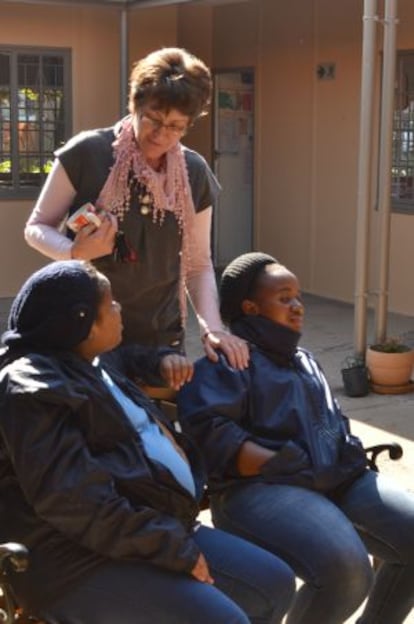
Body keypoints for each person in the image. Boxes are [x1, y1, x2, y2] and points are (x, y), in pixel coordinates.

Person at [0, 259, 295, 624]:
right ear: (82, 322)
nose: (119, 308)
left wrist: (161, 361)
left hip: (147, 528)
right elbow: (73, 502)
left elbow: (127, 357)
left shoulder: (84, 357)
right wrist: (174, 549)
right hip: (73, 563)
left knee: (275, 583)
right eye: (110, 305)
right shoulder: (32, 391)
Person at [177, 251, 414, 624]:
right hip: (262, 488)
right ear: (251, 307)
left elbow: (332, 422)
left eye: (298, 296)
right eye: (284, 297)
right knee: (347, 570)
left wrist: (346, 454)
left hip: (335, 478)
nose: (298, 306)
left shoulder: (305, 359)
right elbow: (209, 432)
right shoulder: (229, 361)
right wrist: (274, 460)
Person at [24, 47, 248, 371]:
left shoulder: (193, 172)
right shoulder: (88, 153)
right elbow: (37, 227)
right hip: (86, 333)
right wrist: (74, 252)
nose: (161, 134)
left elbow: (198, 264)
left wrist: (213, 328)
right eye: (154, 119)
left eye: (176, 126)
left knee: (153, 421)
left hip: (160, 340)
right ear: (135, 105)